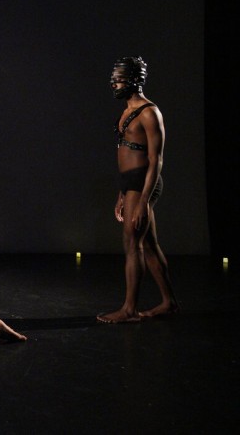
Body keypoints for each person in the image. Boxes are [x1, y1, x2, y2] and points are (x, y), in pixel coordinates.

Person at [98, 56, 179, 324]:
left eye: (119, 79)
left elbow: (157, 160)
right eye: (114, 80)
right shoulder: (125, 112)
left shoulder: (149, 112)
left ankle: (129, 309)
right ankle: (169, 303)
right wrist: (122, 193)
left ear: (134, 80)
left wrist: (143, 200)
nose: (115, 85)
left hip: (145, 184)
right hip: (130, 185)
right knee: (149, 245)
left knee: (132, 244)